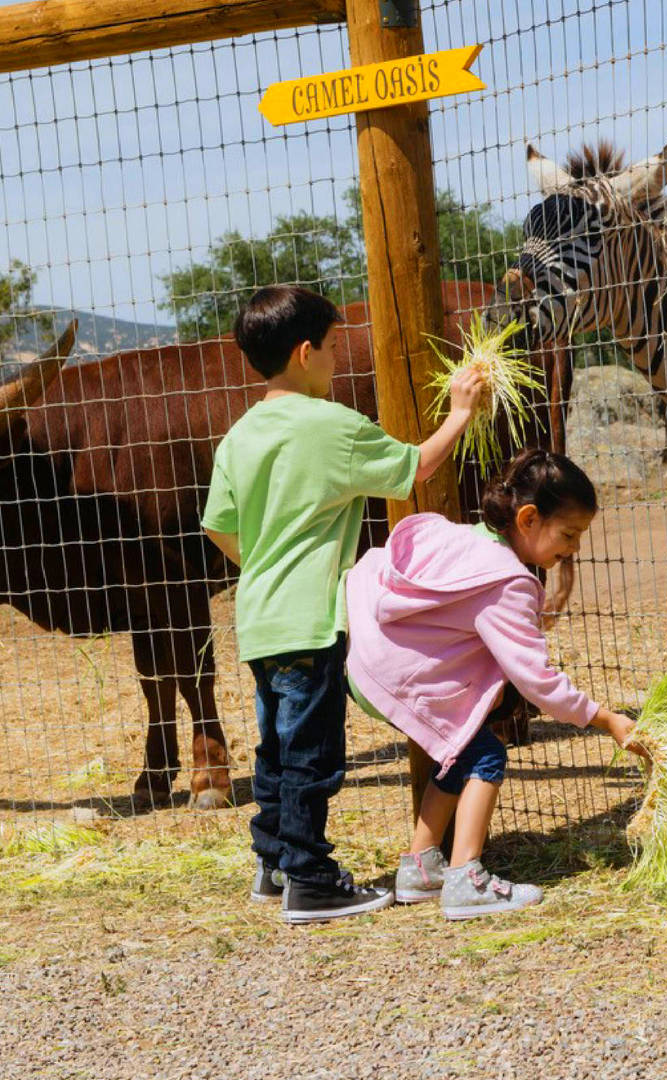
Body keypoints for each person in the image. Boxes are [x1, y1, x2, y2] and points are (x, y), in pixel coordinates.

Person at [202, 285, 488, 924]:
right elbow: (412, 469)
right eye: (334, 348)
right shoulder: (331, 426)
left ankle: (273, 866)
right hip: (310, 620)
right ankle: (312, 880)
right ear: (306, 353)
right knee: (313, 754)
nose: (338, 360)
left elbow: (218, 524)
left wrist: (266, 565)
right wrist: (460, 413)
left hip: (259, 618)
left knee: (275, 751)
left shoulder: (239, 435)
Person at [343, 447, 641, 920]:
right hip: (399, 675)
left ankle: (419, 868)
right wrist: (605, 719)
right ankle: (466, 877)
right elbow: (536, 679)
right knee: (488, 756)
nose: (574, 548)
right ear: (527, 518)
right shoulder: (508, 583)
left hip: (367, 656)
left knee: (463, 749)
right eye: (568, 534)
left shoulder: (468, 540)